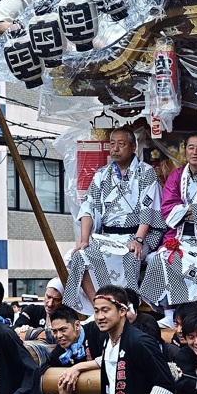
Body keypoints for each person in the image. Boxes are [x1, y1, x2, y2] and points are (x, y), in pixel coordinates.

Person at [63, 128, 165, 312]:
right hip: (106, 237)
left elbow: (149, 208)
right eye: (112, 144)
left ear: (133, 147)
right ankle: (100, 306)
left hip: (137, 234)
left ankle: (126, 306)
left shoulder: (146, 172)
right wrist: (85, 240)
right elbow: (88, 207)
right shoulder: (102, 174)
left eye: (121, 144)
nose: (116, 148)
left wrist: (139, 240)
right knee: (79, 256)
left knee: (129, 255)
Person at [140, 132, 197, 328]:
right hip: (177, 235)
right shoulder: (176, 176)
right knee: (162, 259)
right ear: (184, 151)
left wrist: (186, 209)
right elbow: (168, 207)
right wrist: (195, 209)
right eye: (190, 147)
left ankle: (193, 313)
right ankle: (170, 313)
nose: (194, 152)